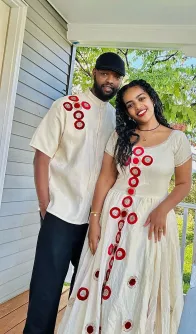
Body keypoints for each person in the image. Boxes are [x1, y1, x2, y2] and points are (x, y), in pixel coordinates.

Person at [58, 79, 192, 334]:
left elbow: (184, 184)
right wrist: (95, 219)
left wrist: (162, 209)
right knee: (104, 279)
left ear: (151, 98)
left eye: (141, 98)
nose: (137, 107)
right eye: (130, 105)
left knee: (138, 282)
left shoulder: (176, 139)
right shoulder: (120, 136)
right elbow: (106, 178)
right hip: (112, 217)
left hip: (150, 222)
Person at [24, 52, 125, 334]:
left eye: (116, 77)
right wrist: (46, 205)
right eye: (105, 73)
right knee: (46, 289)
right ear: (94, 73)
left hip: (95, 219)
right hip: (60, 212)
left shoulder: (116, 118)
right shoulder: (66, 106)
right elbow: (41, 157)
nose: (110, 81)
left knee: (86, 290)